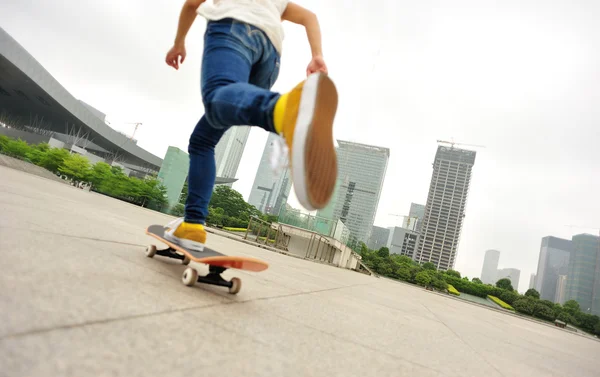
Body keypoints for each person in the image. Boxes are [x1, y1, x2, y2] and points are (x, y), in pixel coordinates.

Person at [163, 0, 338, 251]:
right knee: (203, 139)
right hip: (270, 56)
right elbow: (309, 16)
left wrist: (179, 42)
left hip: (233, 29)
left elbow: (192, 3)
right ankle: (192, 225)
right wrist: (317, 54)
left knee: (217, 96)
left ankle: (285, 108)